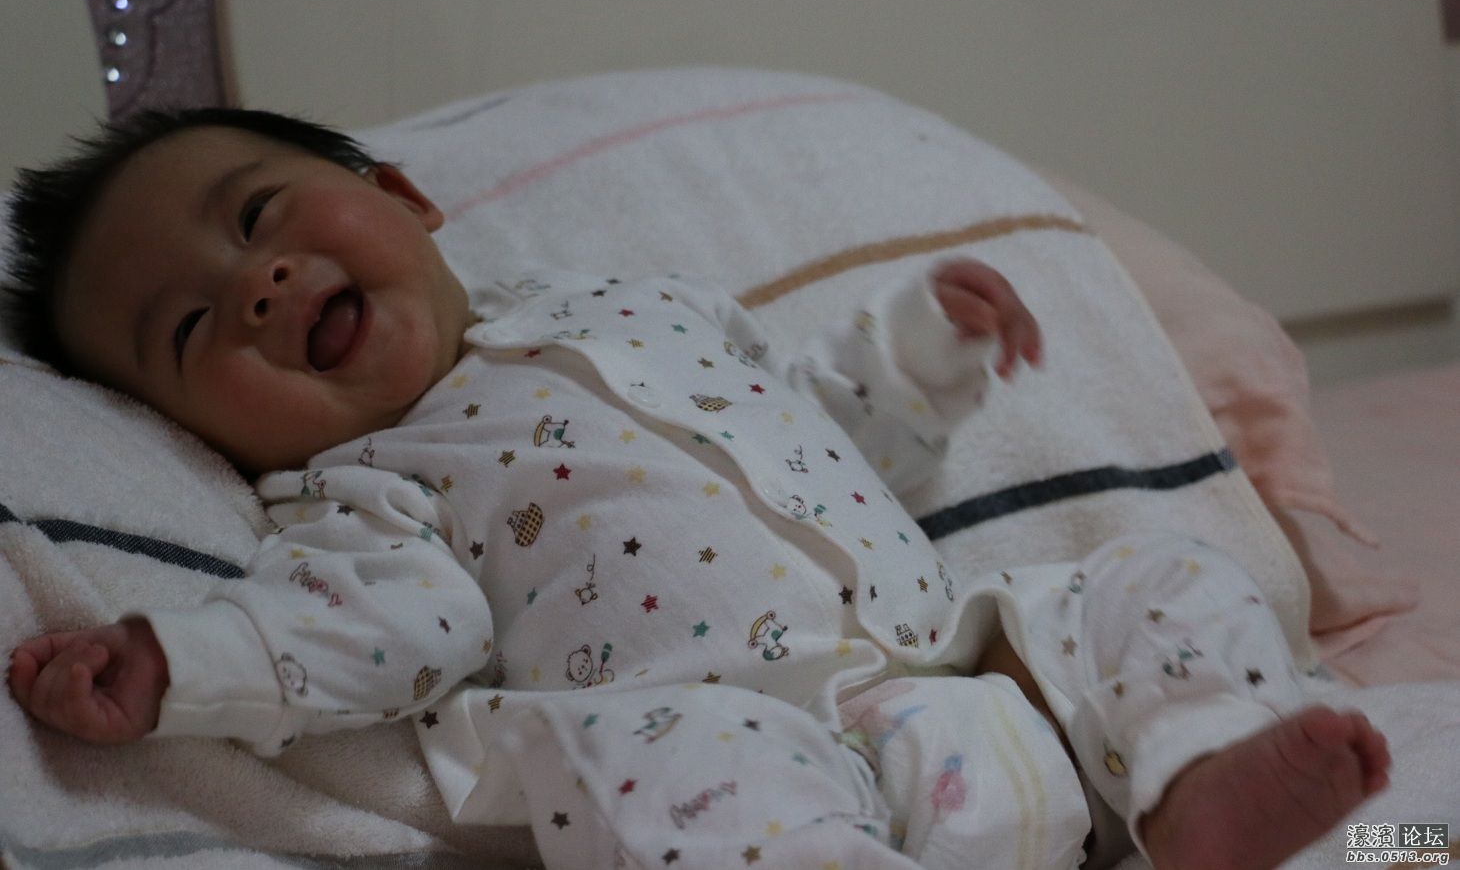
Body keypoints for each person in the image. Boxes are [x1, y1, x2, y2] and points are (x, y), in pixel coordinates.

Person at [3, 109, 1389, 870]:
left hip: (985, 688)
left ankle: (1204, 786)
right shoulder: (357, 491)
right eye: (192, 330)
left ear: (408, 194)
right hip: (782, 764)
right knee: (656, 763)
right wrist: (175, 662)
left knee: (1157, 581)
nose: (255, 284)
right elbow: (372, 633)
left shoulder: (640, 306)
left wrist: (923, 353)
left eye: (258, 214)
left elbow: (827, 429)